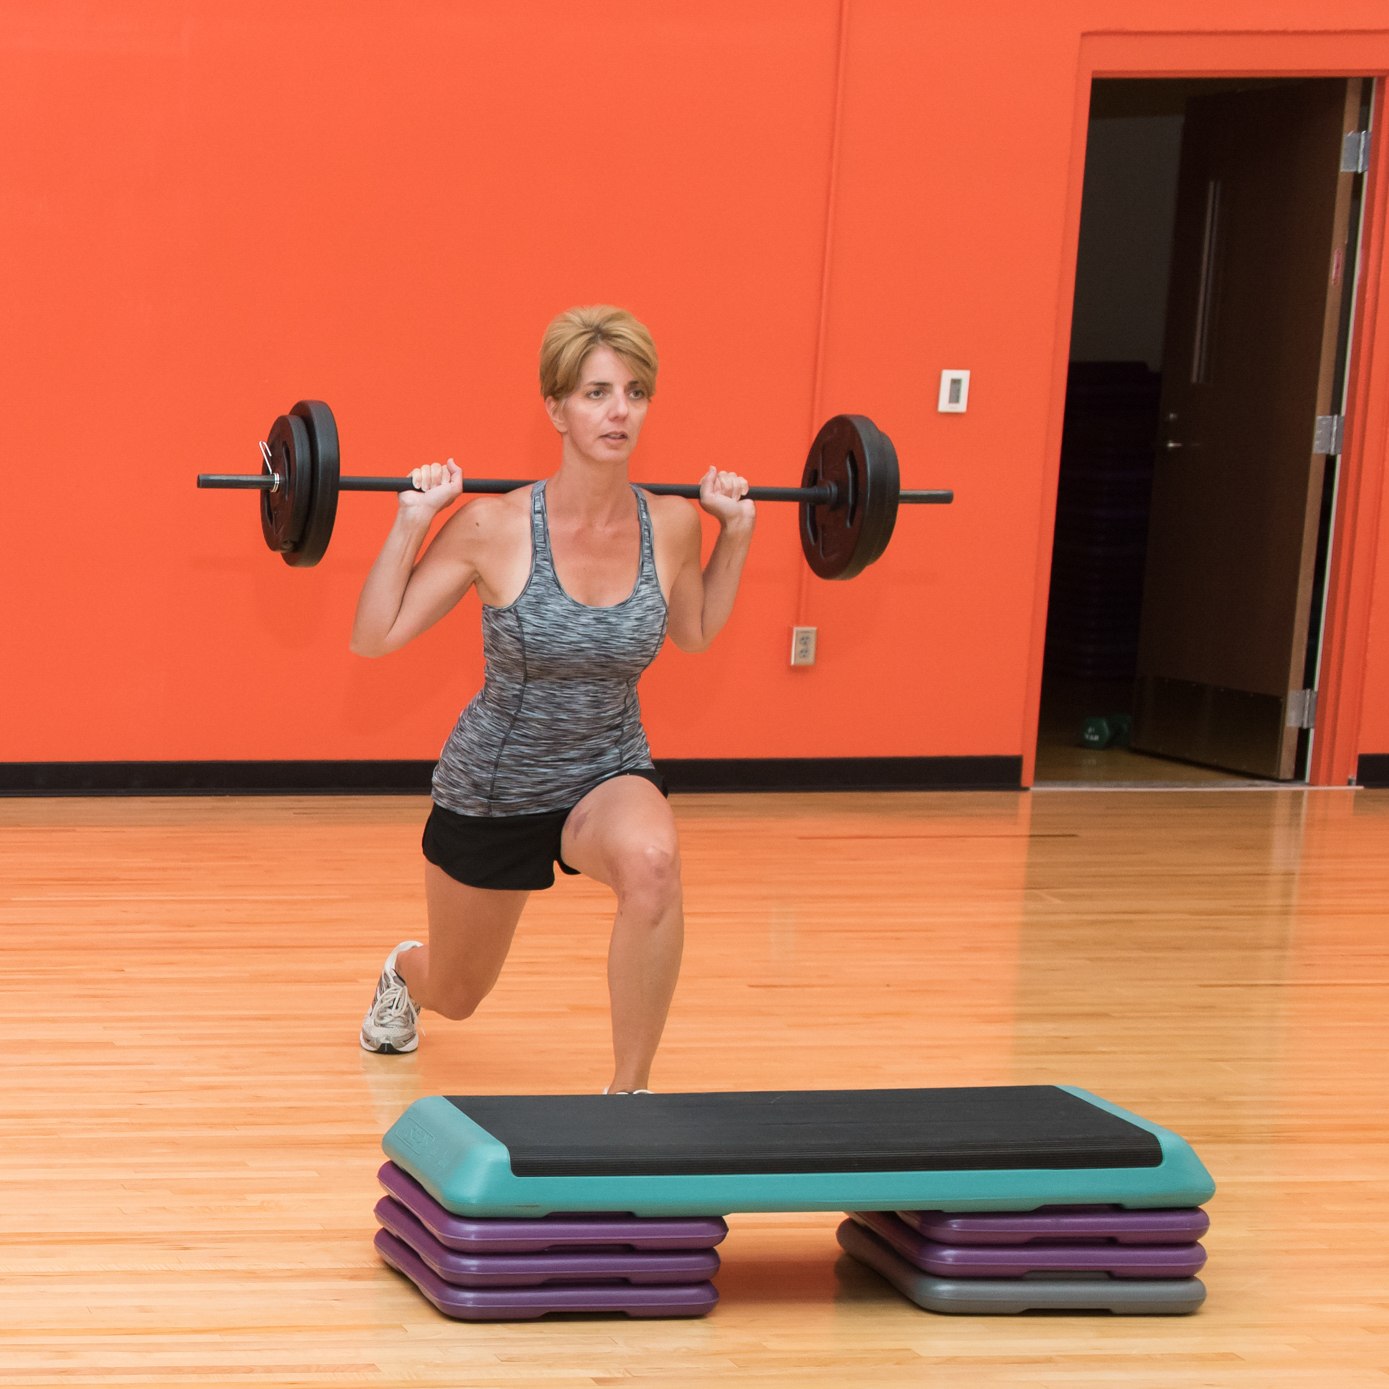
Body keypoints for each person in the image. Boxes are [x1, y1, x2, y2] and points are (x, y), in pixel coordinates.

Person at [351, 305, 755, 1094]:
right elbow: (375, 636)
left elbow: (696, 632)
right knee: (460, 993)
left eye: (634, 393)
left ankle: (628, 1097)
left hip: (609, 768)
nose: (618, 411)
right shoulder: (494, 525)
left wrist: (735, 534)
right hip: (496, 788)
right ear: (555, 408)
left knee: (654, 863)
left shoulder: (672, 523)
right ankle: (403, 972)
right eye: (597, 392)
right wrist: (409, 523)